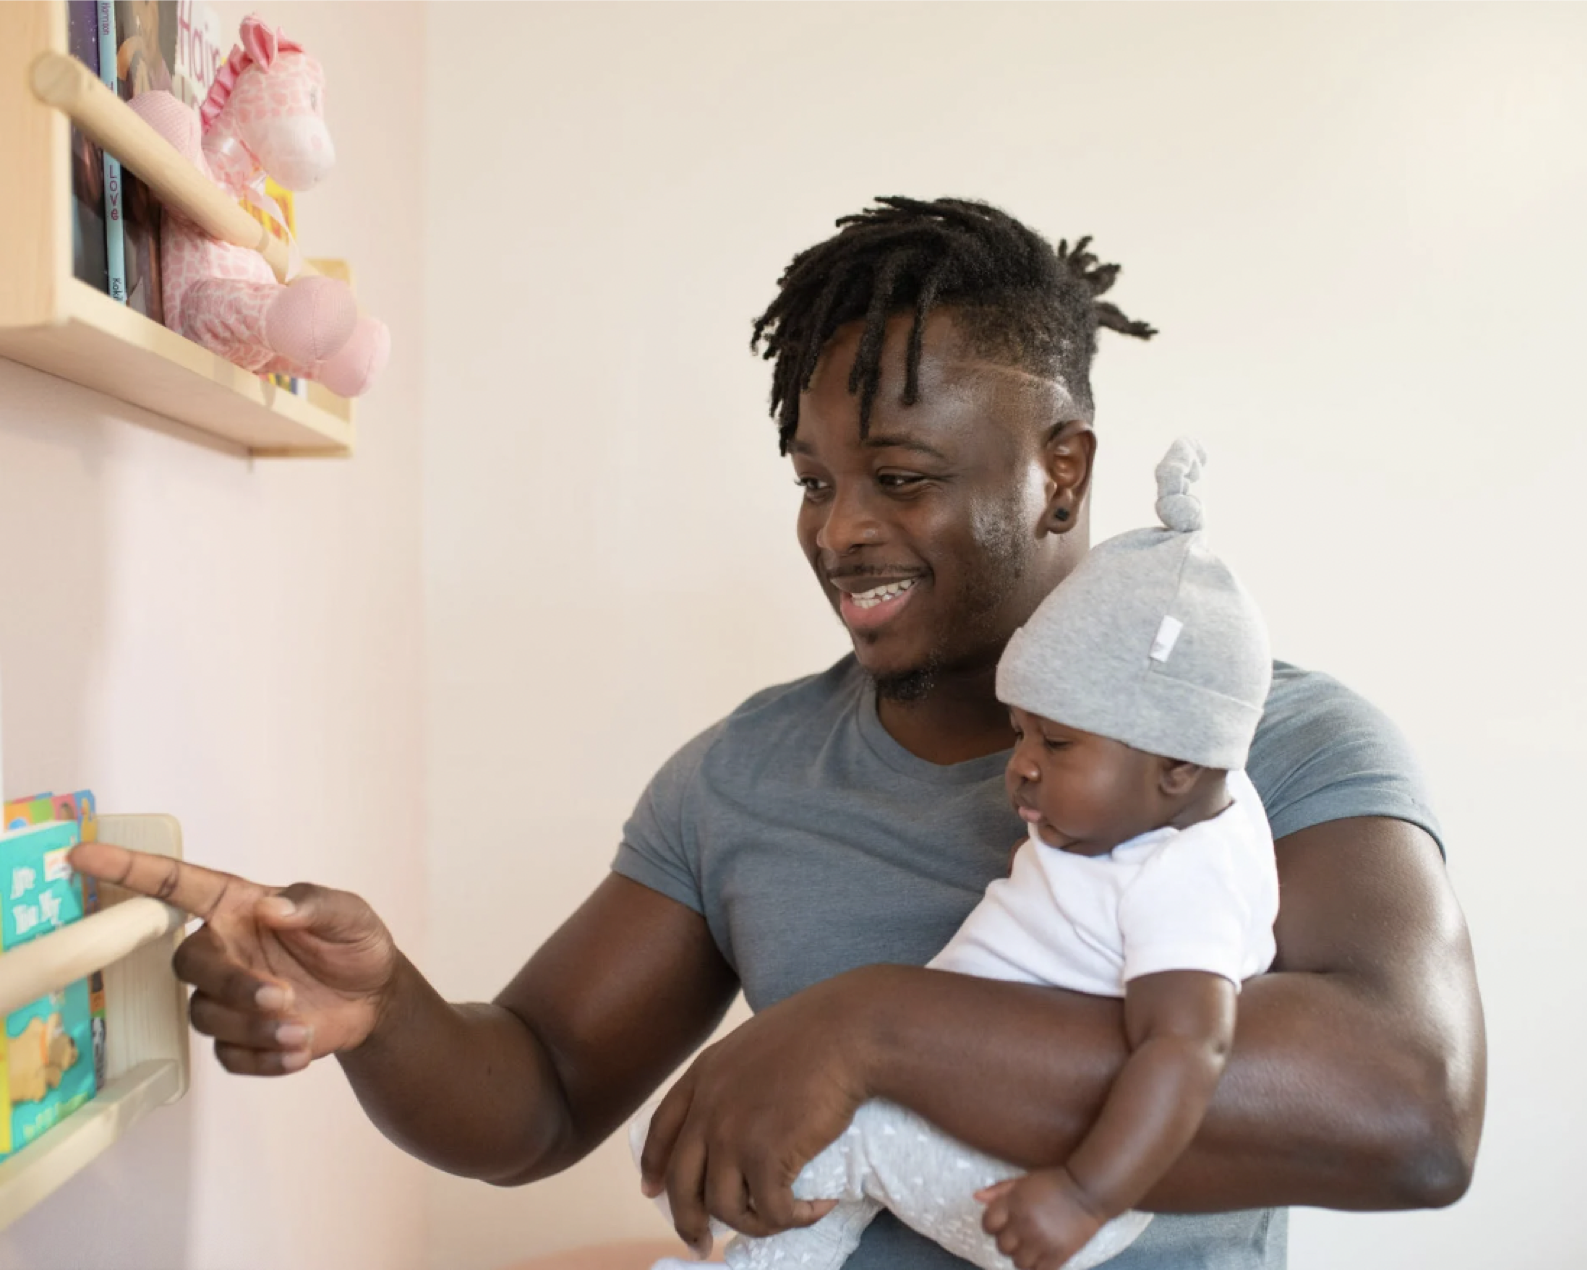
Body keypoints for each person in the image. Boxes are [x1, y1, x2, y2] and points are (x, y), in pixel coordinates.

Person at [71, 197, 1486, 1270]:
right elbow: (542, 1091)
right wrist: (379, 1010)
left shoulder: (1272, 744)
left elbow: (1409, 1110)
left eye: (902, 475)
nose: (840, 528)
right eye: (814, 478)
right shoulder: (744, 772)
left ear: (1062, 471)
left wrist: (873, 1027)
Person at [650, 437, 1278, 1270]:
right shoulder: (1162, 805)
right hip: (972, 1132)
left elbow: (1189, 1049)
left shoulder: (1185, 877)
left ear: (1179, 767)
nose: (1018, 765)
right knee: (826, 1169)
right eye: (1020, 730)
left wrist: (1086, 1194)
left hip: (1031, 1181)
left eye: (1054, 743)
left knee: (797, 1136)